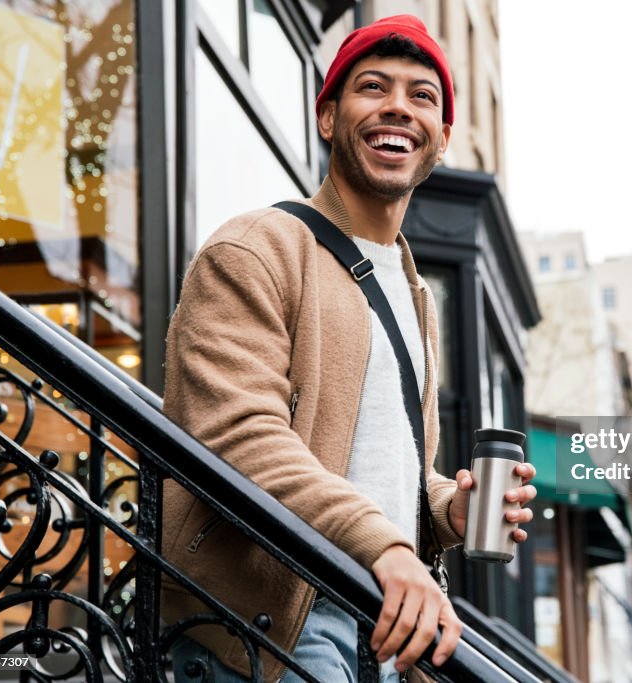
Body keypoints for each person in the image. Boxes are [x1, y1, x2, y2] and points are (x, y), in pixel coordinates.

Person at [161, 15, 537, 682]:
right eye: (373, 87)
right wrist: (387, 546)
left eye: (422, 96)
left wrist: (446, 508)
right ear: (328, 117)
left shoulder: (417, 294)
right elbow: (238, 437)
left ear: (443, 139)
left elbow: (372, 467)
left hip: (386, 623)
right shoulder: (255, 249)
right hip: (269, 618)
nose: (398, 106)